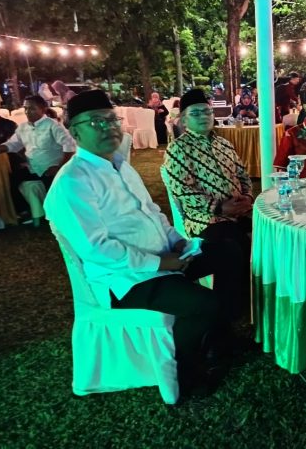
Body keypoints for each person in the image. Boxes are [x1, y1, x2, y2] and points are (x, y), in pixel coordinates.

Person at [44, 89, 241, 394]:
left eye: (111, 119)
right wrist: (161, 263)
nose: (108, 127)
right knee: (203, 304)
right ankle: (186, 372)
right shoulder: (73, 182)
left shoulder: (120, 165)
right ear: (74, 132)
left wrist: (178, 242)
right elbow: (97, 249)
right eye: (96, 122)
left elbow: (153, 213)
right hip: (127, 279)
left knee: (231, 254)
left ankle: (217, 338)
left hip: (164, 258)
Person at [163, 89, 252, 285]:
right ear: (184, 120)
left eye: (206, 111)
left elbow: (243, 175)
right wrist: (219, 207)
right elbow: (183, 191)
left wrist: (247, 197)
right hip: (205, 220)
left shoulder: (224, 144)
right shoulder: (178, 149)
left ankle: (260, 294)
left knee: (269, 235)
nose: (203, 116)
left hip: (240, 212)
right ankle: (231, 301)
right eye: (195, 113)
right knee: (234, 246)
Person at [0, 95, 75, 227]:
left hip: (51, 168)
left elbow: (70, 147)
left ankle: (58, 217)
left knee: (53, 190)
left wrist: (59, 167)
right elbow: (13, 144)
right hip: (33, 168)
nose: (28, 112)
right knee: (10, 180)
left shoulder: (53, 125)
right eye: (26, 108)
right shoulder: (23, 127)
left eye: (32, 109)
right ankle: (25, 211)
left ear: (43, 109)